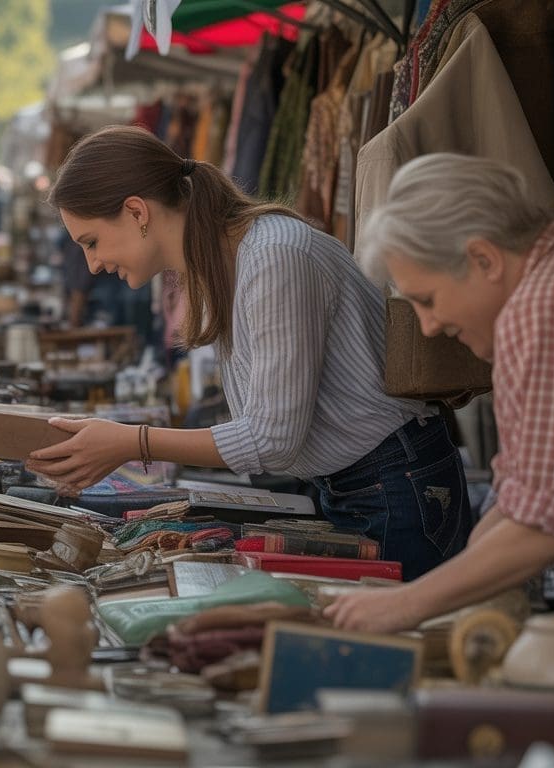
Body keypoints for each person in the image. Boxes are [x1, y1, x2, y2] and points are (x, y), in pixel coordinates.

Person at [27, 125, 471, 581]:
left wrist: (130, 441)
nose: (92, 265)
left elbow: (270, 440)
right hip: (360, 487)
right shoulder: (223, 259)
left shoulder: (273, 255)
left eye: (91, 242)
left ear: (137, 211)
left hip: (397, 491)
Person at [326, 153, 554, 632]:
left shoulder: (542, 310)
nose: (429, 326)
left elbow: (542, 526)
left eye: (427, 300)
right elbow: (521, 492)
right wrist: (464, 586)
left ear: (484, 259)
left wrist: (408, 604)